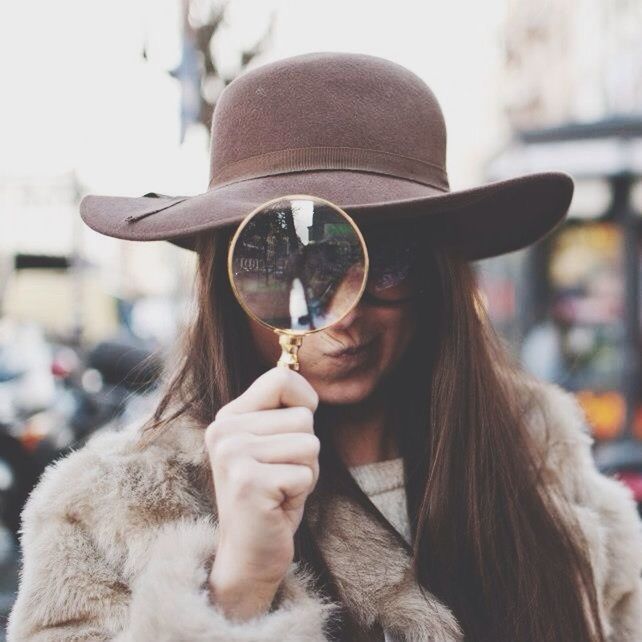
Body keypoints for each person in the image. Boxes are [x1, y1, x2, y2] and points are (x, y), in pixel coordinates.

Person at [7, 52, 642, 642]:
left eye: (387, 260)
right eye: (290, 265)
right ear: (227, 281)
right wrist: (235, 589)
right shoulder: (110, 510)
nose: (342, 320)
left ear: (438, 278)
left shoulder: (541, 461)